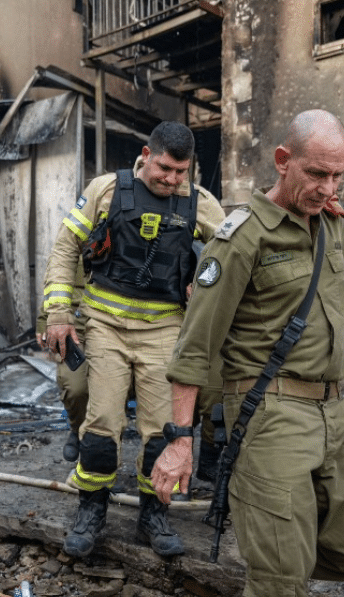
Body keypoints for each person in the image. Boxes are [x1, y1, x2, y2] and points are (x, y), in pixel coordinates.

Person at [151, 109, 344, 596]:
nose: (330, 189)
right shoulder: (242, 238)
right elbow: (194, 349)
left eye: (338, 176)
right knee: (280, 575)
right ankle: (275, 571)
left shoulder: (327, 221)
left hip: (333, 413)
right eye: (317, 174)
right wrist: (180, 441)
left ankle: (283, 556)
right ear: (283, 161)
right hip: (271, 416)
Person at [43, 121, 226, 558]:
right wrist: (58, 312)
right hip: (105, 322)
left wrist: (204, 282)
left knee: (161, 433)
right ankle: (91, 511)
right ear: (146, 154)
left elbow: (233, 251)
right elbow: (66, 247)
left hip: (164, 329)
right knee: (102, 426)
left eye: (181, 172)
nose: (172, 179)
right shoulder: (105, 189)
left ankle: (153, 514)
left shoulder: (200, 202)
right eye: (165, 168)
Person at [36, 265, 88, 462]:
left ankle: (99, 459)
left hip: (112, 329)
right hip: (74, 331)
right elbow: (55, 286)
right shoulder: (74, 244)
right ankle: (77, 429)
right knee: (75, 388)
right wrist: (43, 322)